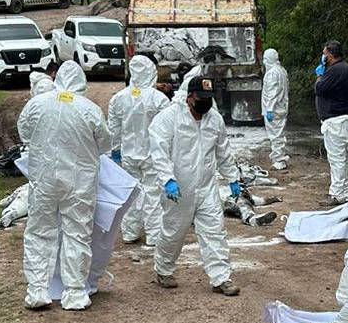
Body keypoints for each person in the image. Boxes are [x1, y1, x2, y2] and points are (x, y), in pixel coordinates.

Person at [16, 61, 110, 310]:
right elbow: (105, 143)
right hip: (79, 181)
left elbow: (24, 133)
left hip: (44, 178)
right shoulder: (89, 108)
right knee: (77, 233)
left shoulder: (37, 104)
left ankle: (37, 291)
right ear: (82, 82)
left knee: (39, 232)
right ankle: (75, 293)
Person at [148, 76, 242, 296]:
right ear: (189, 97)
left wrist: (232, 177)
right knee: (174, 232)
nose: (205, 103)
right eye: (201, 98)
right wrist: (168, 180)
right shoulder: (169, 118)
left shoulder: (214, 119)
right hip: (178, 189)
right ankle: (163, 269)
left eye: (208, 98)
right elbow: (159, 151)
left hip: (206, 187)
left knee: (215, 231)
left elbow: (223, 151)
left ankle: (221, 278)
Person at [107, 55, 170, 246]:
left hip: (128, 154)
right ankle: (153, 235)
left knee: (130, 194)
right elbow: (167, 129)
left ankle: (130, 232)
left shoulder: (119, 98)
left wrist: (115, 150)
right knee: (153, 194)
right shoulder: (159, 99)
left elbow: (113, 128)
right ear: (151, 72)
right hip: (152, 154)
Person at [315, 40, 348, 206]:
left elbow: (319, 89)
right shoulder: (345, 68)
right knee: (341, 158)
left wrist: (320, 74)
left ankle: (338, 194)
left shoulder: (336, 70)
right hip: (342, 119)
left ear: (330, 55)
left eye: (324, 54)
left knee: (337, 158)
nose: (323, 57)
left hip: (337, 120)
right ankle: (344, 192)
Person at [261, 48, 290, 170]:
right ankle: (279, 158)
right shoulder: (282, 71)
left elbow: (272, 93)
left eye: (264, 59)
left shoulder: (272, 73)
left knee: (275, 135)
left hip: (274, 109)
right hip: (281, 107)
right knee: (279, 133)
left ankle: (279, 160)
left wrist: (269, 109)